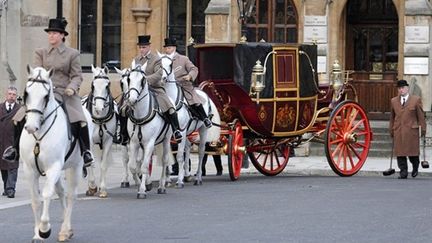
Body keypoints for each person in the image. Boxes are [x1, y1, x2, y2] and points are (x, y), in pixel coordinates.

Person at [2, 18, 94, 170]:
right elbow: (36, 72)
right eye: (50, 33)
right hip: (43, 92)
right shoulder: (41, 52)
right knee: (18, 118)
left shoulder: (73, 54)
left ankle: (85, 152)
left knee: (80, 119)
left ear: (62, 36)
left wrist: (72, 87)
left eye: (55, 33)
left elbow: (77, 76)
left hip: (66, 93)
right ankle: (15, 150)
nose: (51, 36)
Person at [133, 35, 182, 141]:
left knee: (169, 106)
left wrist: (144, 80)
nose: (142, 50)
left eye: (144, 47)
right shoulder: (136, 60)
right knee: (123, 107)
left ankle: (176, 130)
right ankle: (123, 133)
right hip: (138, 90)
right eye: (140, 47)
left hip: (154, 88)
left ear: (149, 47)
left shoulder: (156, 59)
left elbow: (158, 74)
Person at [163, 37, 212, 128]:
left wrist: (189, 76)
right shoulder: (163, 60)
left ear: (174, 48)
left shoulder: (183, 59)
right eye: (165, 48)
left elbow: (194, 69)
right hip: (167, 85)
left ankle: (205, 118)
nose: (167, 50)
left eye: (169, 48)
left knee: (192, 98)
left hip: (184, 84)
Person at [389, 79, 426, 179]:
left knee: (412, 153)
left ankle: (415, 167)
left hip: (411, 131)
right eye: (399, 88)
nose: (401, 90)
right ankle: (403, 171)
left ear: (407, 88)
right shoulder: (394, 101)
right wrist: (391, 129)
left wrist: (423, 128)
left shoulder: (415, 100)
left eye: (403, 88)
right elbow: (392, 117)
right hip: (399, 130)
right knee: (400, 153)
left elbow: (421, 116)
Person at [0, 86, 21, 198]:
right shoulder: (0, 108)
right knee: (3, 167)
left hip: (13, 142)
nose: (11, 96)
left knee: (12, 166)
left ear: (16, 96)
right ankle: (6, 187)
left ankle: (11, 189)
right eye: (10, 94)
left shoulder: (20, 109)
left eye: (13, 94)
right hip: (1, 141)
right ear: (6, 95)